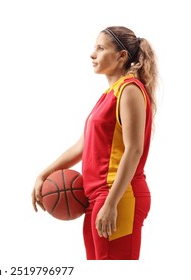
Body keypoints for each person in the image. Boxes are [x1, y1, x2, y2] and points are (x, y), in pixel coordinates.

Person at [32, 26, 158, 260]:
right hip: (97, 197)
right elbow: (82, 146)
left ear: (121, 56)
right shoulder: (109, 94)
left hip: (118, 195)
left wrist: (111, 203)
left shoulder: (129, 90)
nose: (92, 54)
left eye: (100, 48)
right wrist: (43, 174)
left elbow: (134, 149)